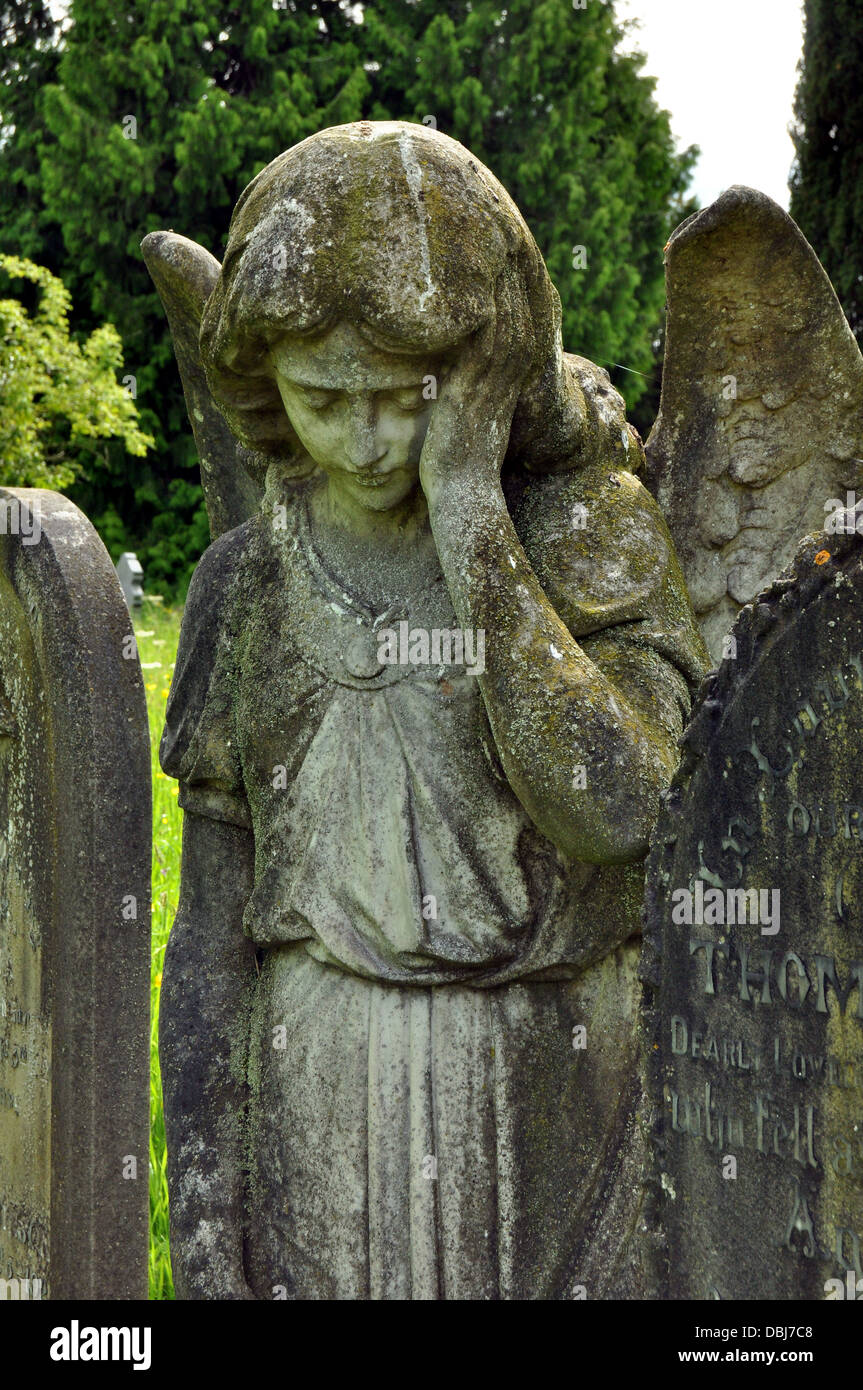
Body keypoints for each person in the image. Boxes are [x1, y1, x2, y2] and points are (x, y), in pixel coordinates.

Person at [159, 120, 708, 1300]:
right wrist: (205, 1229)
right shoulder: (245, 586)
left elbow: (622, 810)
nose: (360, 441)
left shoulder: (588, 536)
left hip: (551, 1091)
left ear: (488, 367)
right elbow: (209, 936)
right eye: (318, 399)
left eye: (401, 403)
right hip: (318, 1106)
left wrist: (469, 512)